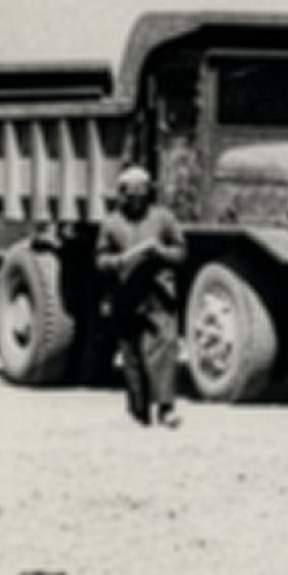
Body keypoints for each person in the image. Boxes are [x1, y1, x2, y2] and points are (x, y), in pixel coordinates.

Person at [96, 166, 186, 428]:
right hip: (126, 293)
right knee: (131, 352)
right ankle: (139, 410)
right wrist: (116, 262)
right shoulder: (110, 224)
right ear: (121, 195)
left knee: (165, 347)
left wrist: (160, 252)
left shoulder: (164, 219)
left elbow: (181, 252)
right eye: (130, 195)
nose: (135, 200)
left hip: (158, 292)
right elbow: (100, 259)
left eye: (141, 194)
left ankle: (166, 408)